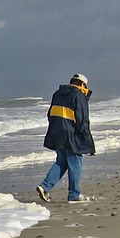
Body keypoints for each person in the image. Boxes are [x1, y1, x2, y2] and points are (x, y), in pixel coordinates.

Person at [36, 72, 96, 203]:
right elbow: (82, 120)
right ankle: (74, 194)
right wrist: (88, 142)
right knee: (76, 163)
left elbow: (50, 115)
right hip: (72, 135)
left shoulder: (57, 94)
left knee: (61, 162)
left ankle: (44, 187)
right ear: (81, 84)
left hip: (57, 134)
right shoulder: (78, 95)